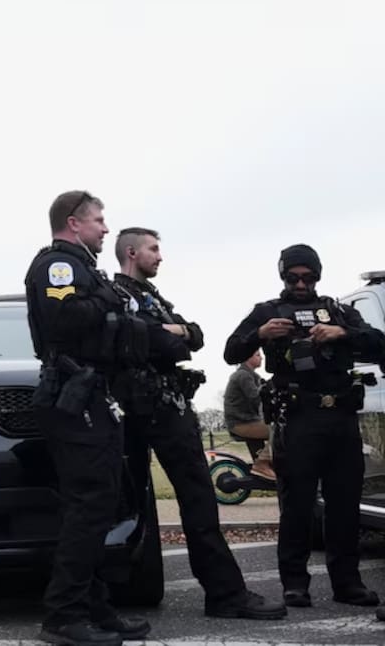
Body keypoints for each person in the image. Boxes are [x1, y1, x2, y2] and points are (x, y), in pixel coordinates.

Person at [110, 227, 285, 620]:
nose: (160, 256)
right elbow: (154, 341)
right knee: (129, 503)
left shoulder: (154, 298)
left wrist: (176, 332)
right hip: (135, 409)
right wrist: (170, 334)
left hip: (170, 407)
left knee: (200, 500)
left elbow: (196, 337)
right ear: (132, 252)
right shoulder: (115, 295)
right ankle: (125, 591)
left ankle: (225, 594)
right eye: (154, 249)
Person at [223, 244, 385, 609]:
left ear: (317, 276)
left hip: (341, 420)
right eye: (293, 276)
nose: (300, 283)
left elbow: (379, 344)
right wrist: (260, 333)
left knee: (344, 506)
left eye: (307, 276)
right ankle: (295, 584)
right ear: (283, 275)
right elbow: (231, 350)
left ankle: (348, 584)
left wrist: (342, 333)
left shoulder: (337, 310)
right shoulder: (267, 311)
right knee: (297, 506)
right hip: (297, 421)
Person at [23, 190, 151, 646]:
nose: (105, 228)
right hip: (77, 397)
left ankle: (96, 608)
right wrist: (111, 300)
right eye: (99, 220)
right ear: (74, 223)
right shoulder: (59, 265)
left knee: (98, 506)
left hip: (95, 397)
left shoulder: (83, 267)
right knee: (89, 508)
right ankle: (64, 615)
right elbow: (64, 320)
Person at [224, 350, 275, 480]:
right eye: (258, 355)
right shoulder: (244, 375)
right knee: (280, 430)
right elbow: (256, 398)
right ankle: (262, 463)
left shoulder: (251, 375)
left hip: (248, 421)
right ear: (247, 357)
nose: (262, 358)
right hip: (241, 423)